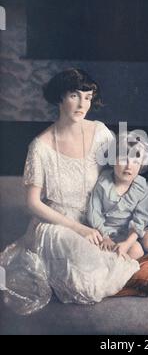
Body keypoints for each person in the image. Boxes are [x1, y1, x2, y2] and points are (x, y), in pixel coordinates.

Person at [0, 68, 140, 315]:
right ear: (59, 97)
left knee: (134, 249)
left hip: (97, 215)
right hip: (58, 223)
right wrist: (80, 229)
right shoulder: (40, 147)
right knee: (87, 284)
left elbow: (121, 173)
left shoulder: (99, 132)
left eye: (87, 97)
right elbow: (33, 204)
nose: (82, 104)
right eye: (74, 95)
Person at [88, 132, 148, 260]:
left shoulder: (142, 187)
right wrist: (105, 237)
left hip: (130, 230)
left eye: (135, 161)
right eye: (123, 159)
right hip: (107, 229)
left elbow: (140, 219)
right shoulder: (103, 182)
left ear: (141, 165)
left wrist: (127, 244)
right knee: (101, 251)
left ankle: (128, 248)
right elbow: (94, 213)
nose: (129, 166)